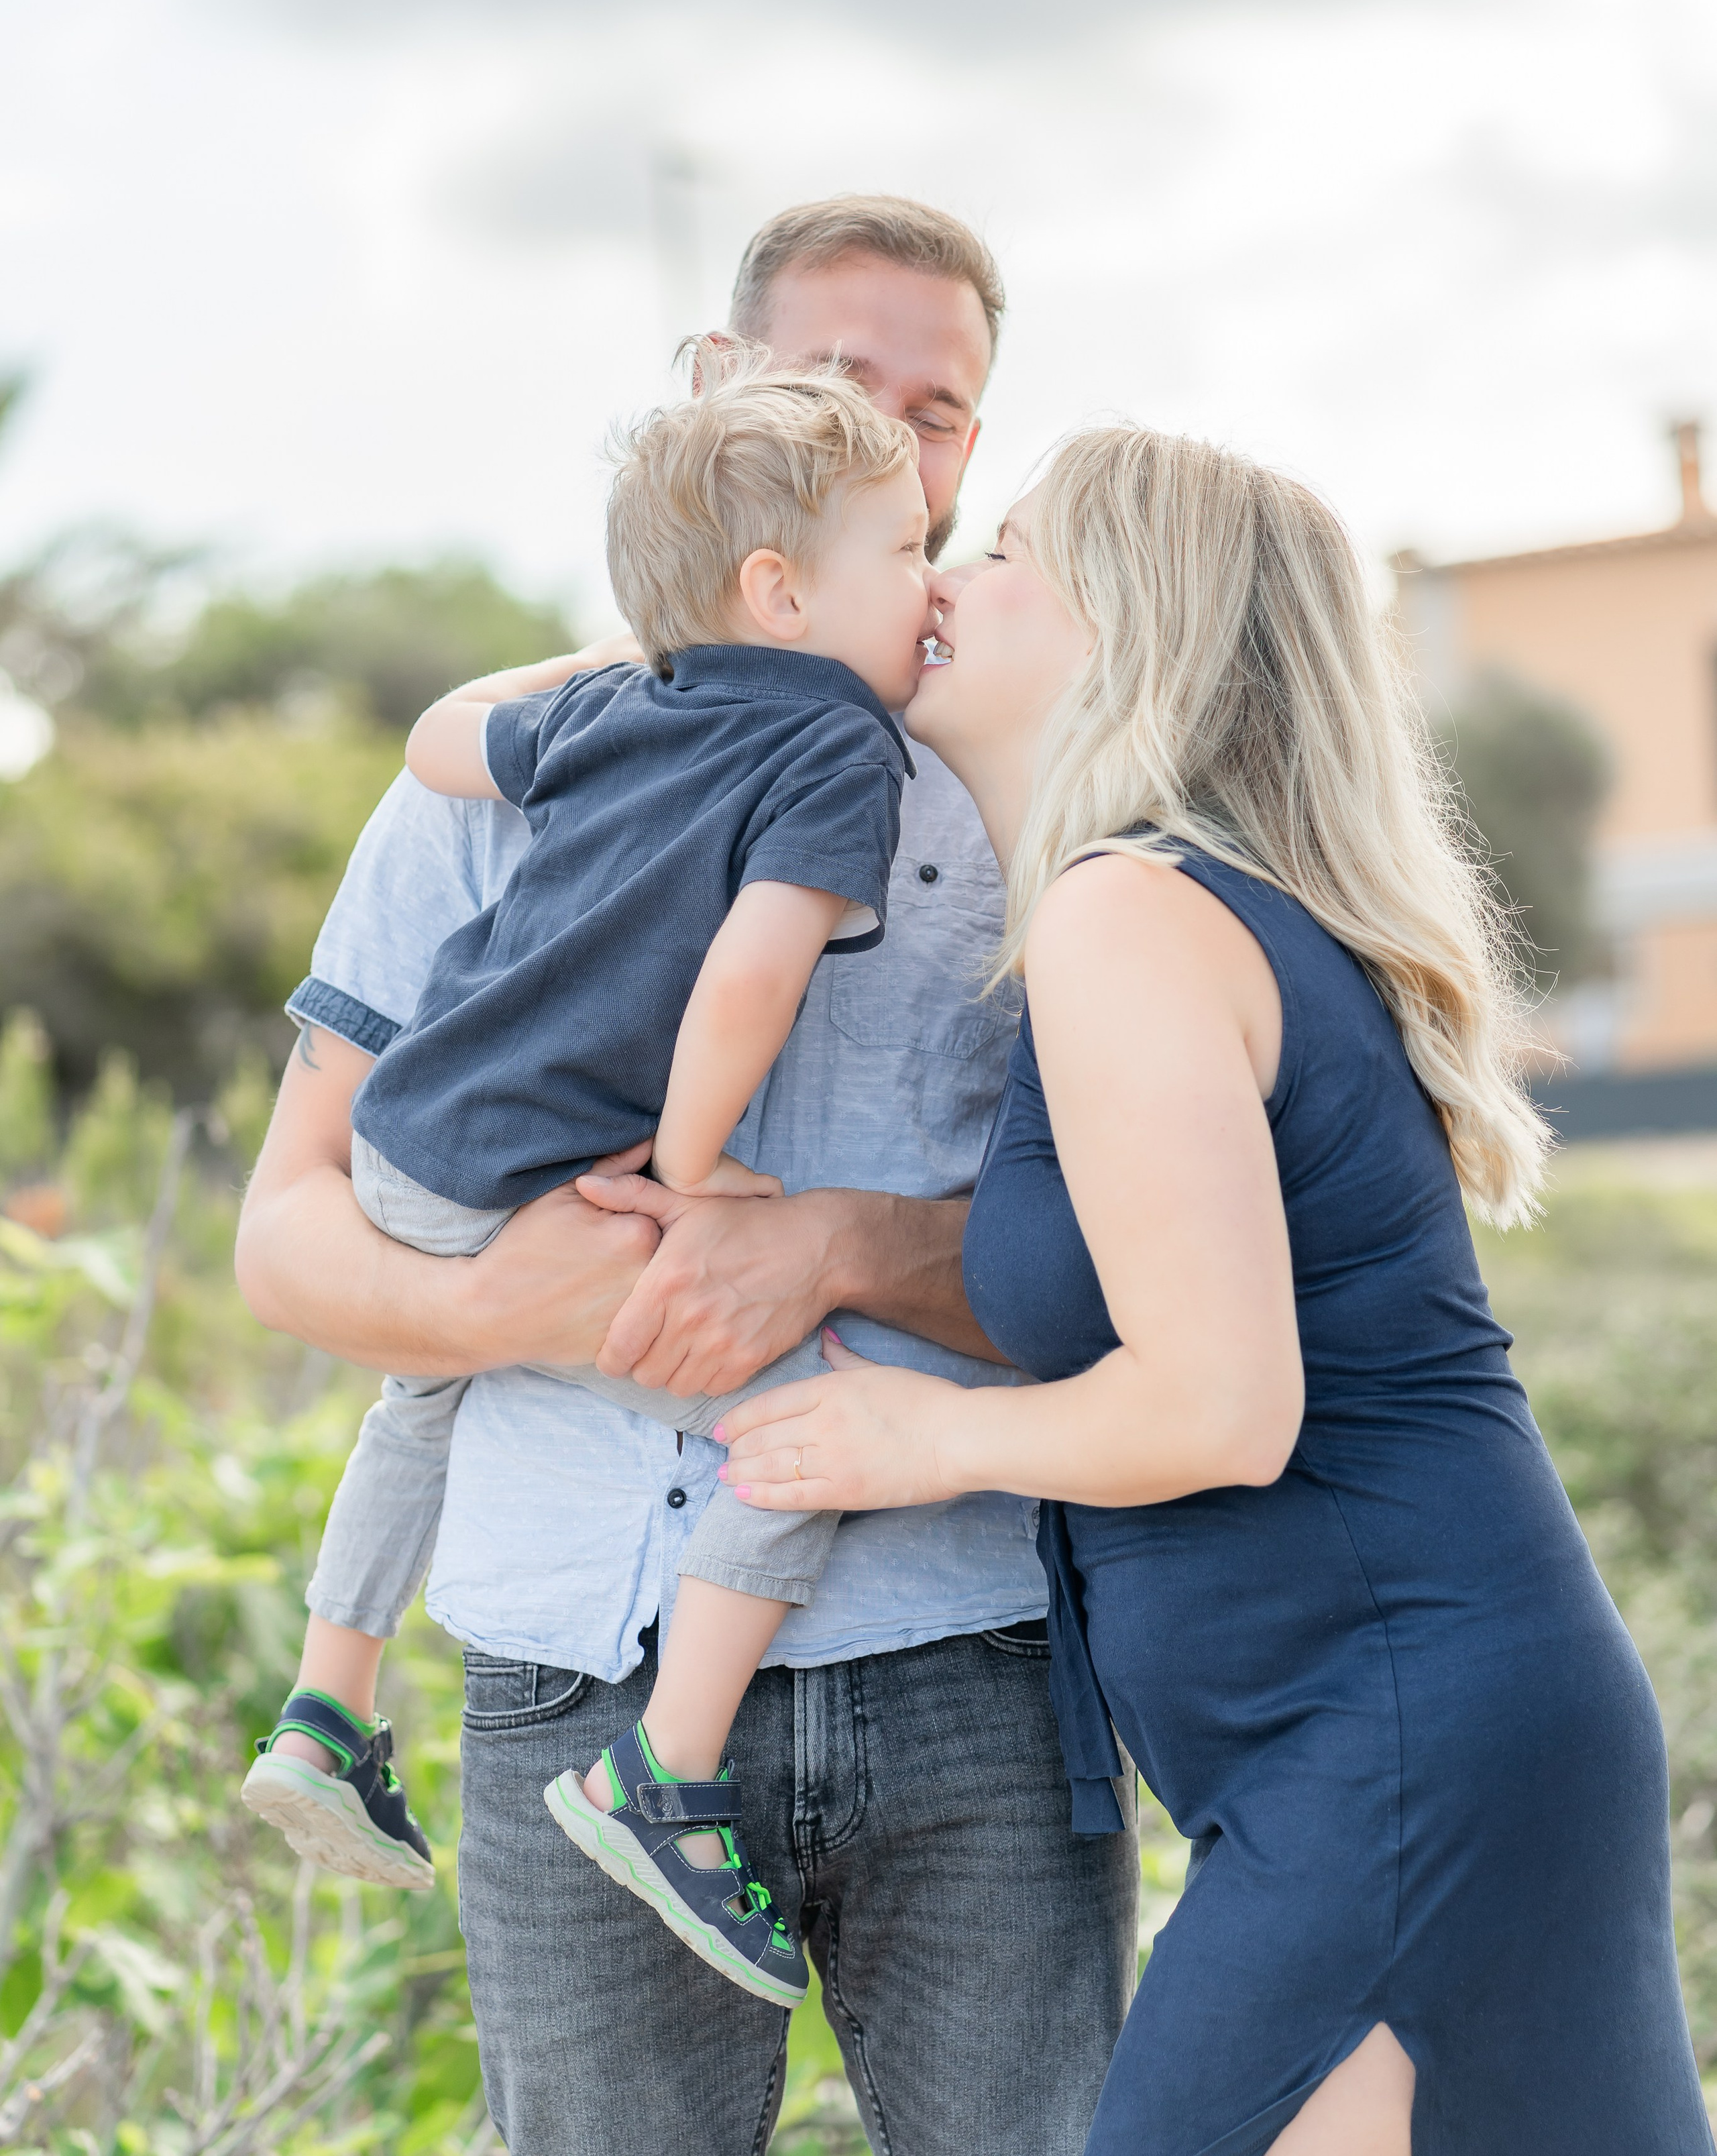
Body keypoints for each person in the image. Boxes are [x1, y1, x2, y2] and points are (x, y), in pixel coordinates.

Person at [235, 197, 1140, 2156]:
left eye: (945, 416)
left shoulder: (1052, 800)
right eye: (844, 390)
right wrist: (500, 1308)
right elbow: (291, 1233)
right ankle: (339, 1698)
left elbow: (1163, 1286)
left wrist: (840, 1248)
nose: (901, 454)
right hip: (564, 1655)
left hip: (968, 1660)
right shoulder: (500, 761)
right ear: (722, 396)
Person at [719, 423, 1713, 2155]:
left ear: (1131, 626)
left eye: (1008, 552)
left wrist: (917, 1438)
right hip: (1413, 1732)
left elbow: (1220, 1406)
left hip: (1401, 1742)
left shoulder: (1132, 917)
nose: (947, 576)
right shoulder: (1173, 916)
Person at [243, 353, 937, 2004]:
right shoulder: (843, 746)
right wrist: (696, 1181)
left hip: (418, 1140)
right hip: (544, 1173)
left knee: (425, 1386)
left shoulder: (621, 699)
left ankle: (328, 1705)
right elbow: (746, 985)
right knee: (794, 1433)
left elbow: (431, 740)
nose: (932, 583)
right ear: (782, 588)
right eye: (905, 552)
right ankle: (663, 1773)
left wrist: (657, 635)